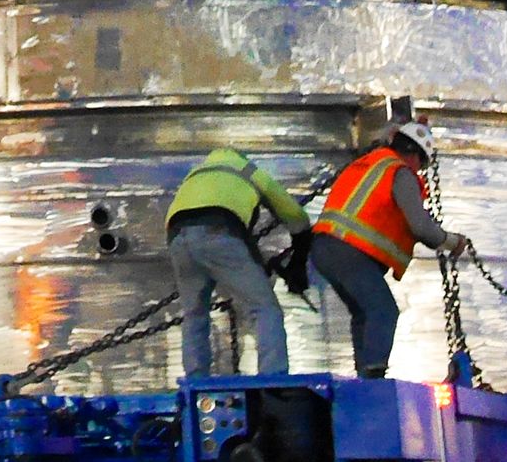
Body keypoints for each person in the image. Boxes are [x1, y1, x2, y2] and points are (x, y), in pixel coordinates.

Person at [308, 122, 471, 378]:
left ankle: (365, 374)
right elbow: (421, 227)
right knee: (383, 310)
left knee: (364, 312)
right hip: (348, 249)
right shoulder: (400, 172)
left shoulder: (372, 163)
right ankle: (373, 377)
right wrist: (452, 241)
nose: (420, 170)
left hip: (325, 247)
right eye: (422, 164)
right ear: (417, 156)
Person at [164, 146, 311, 377]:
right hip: (218, 231)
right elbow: (295, 216)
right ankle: (273, 377)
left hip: (177, 238)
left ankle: (195, 379)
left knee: (194, 313)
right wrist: (299, 260)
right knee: (265, 308)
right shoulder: (248, 171)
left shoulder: (197, 173)